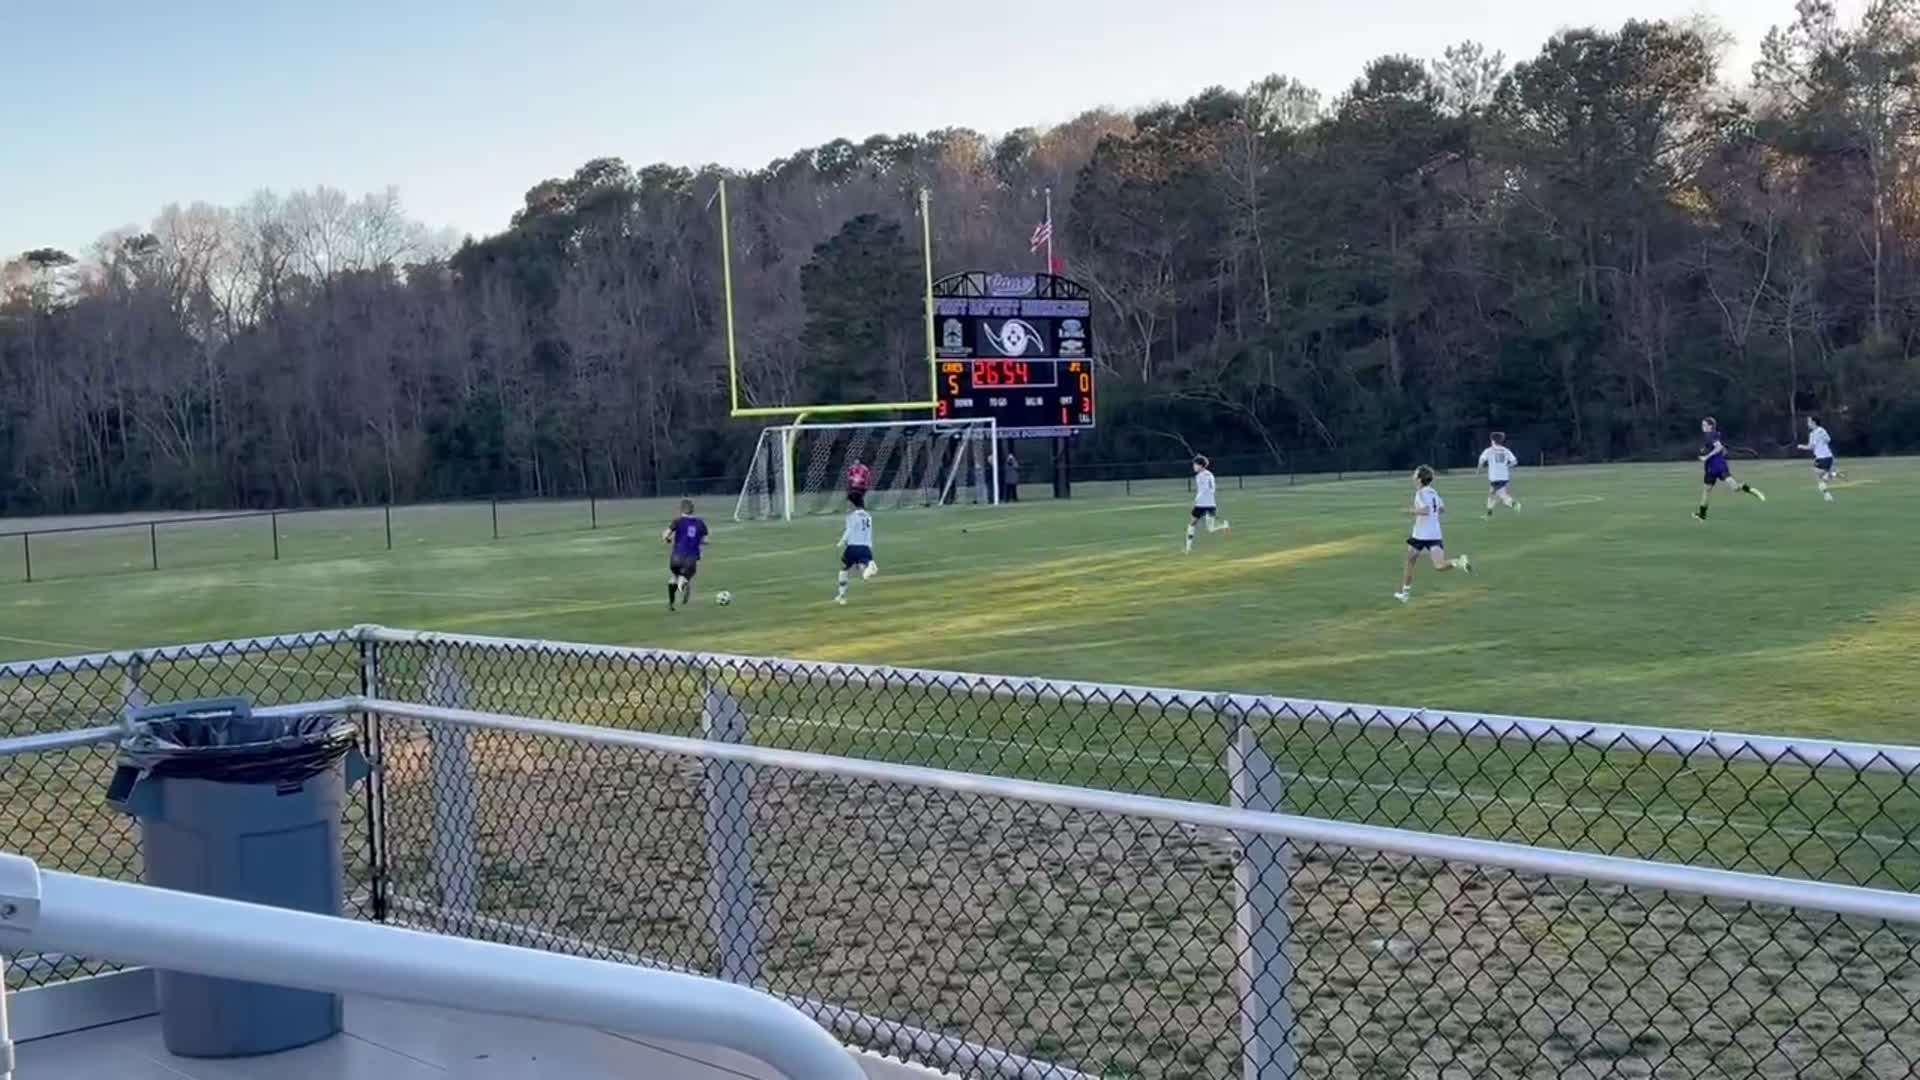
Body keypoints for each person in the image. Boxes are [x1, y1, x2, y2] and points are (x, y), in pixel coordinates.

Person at [1395, 465, 1471, 603]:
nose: (1413, 477)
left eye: (1415, 474)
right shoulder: (1433, 492)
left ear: (1419, 479)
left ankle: (1405, 594)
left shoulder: (1420, 493)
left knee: (1410, 561)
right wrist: (1431, 515)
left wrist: (1410, 511)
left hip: (1420, 535)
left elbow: (1426, 510)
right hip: (1434, 534)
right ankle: (1458, 562)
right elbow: (1442, 509)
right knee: (1439, 565)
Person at [1694, 417, 1765, 521]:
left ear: (1710, 426)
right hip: (1710, 468)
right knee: (1707, 490)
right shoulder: (1710, 435)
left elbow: (1718, 447)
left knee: (1734, 488)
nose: (1702, 427)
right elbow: (1719, 449)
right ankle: (1702, 514)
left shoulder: (1711, 435)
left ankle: (1752, 490)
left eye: (1704, 425)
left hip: (1719, 466)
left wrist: (1706, 457)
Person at [662, 499, 708, 611]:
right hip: (691, 558)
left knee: (674, 577)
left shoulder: (678, 521)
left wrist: (668, 539)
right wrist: (699, 549)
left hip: (676, 557)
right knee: (684, 578)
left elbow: (665, 535)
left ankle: (671, 603)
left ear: (681, 509)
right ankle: (683, 585)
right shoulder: (700, 523)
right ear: (693, 509)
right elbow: (704, 541)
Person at [835, 489, 877, 605]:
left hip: (853, 547)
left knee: (844, 569)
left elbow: (849, 530)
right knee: (861, 567)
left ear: (852, 503)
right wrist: (869, 547)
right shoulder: (868, 516)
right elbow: (868, 533)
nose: (848, 505)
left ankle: (842, 596)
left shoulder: (852, 517)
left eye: (849, 503)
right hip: (865, 547)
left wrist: (841, 541)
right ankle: (869, 566)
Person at [1184, 455, 1231, 553]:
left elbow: (1204, 489)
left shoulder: (1200, 476)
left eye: (1195, 464)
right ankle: (1188, 547)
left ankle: (1224, 525)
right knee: (1199, 525)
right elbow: (1212, 489)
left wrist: (1196, 499)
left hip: (1202, 504)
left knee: (1198, 526)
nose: (1193, 466)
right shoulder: (1210, 474)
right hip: (1209, 504)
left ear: (1201, 465)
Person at [1797, 416, 1843, 502]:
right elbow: (1828, 440)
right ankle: (1833, 475)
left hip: (1821, 458)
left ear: (1814, 422)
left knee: (1819, 477)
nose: (1808, 424)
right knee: (1822, 476)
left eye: (1809, 422)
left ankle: (1827, 491)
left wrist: (1801, 446)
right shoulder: (1822, 430)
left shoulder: (1813, 434)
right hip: (1829, 457)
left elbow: (1811, 447)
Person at [1476, 433, 1522, 516]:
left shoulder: (1489, 450)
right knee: (1492, 494)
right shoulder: (1506, 450)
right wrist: (1506, 466)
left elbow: (1481, 461)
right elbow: (1514, 462)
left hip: (1495, 477)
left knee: (1502, 496)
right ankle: (1489, 514)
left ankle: (1515, 505)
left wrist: (1478, 471)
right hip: (1504, 476)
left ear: (1493, 441)